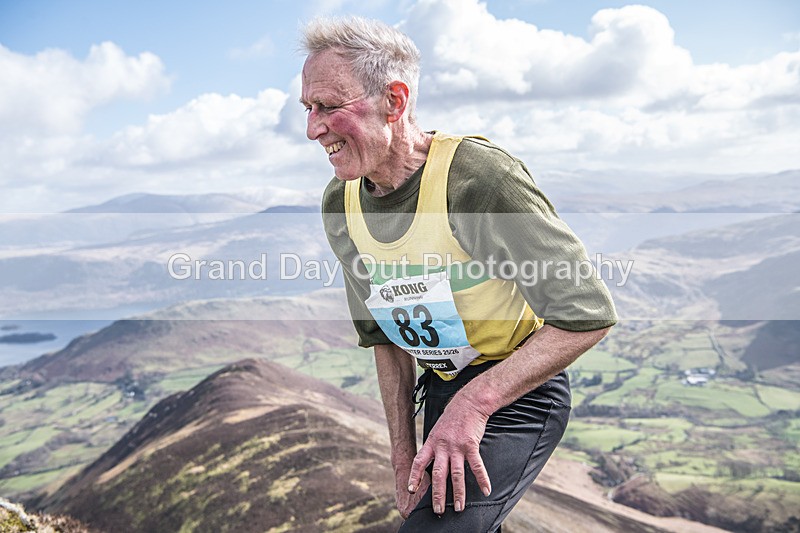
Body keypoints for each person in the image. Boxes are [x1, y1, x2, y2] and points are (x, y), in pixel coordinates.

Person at [300, 16, 616, 532]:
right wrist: (401, 453)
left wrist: (474, 402)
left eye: (330, 107)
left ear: (394, 101)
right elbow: (384, 336)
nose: (313, 128)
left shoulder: (478, 181)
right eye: (309, 109)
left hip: (517, 395)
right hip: (442, 392)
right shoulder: (340, 203)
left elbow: (588, 315)